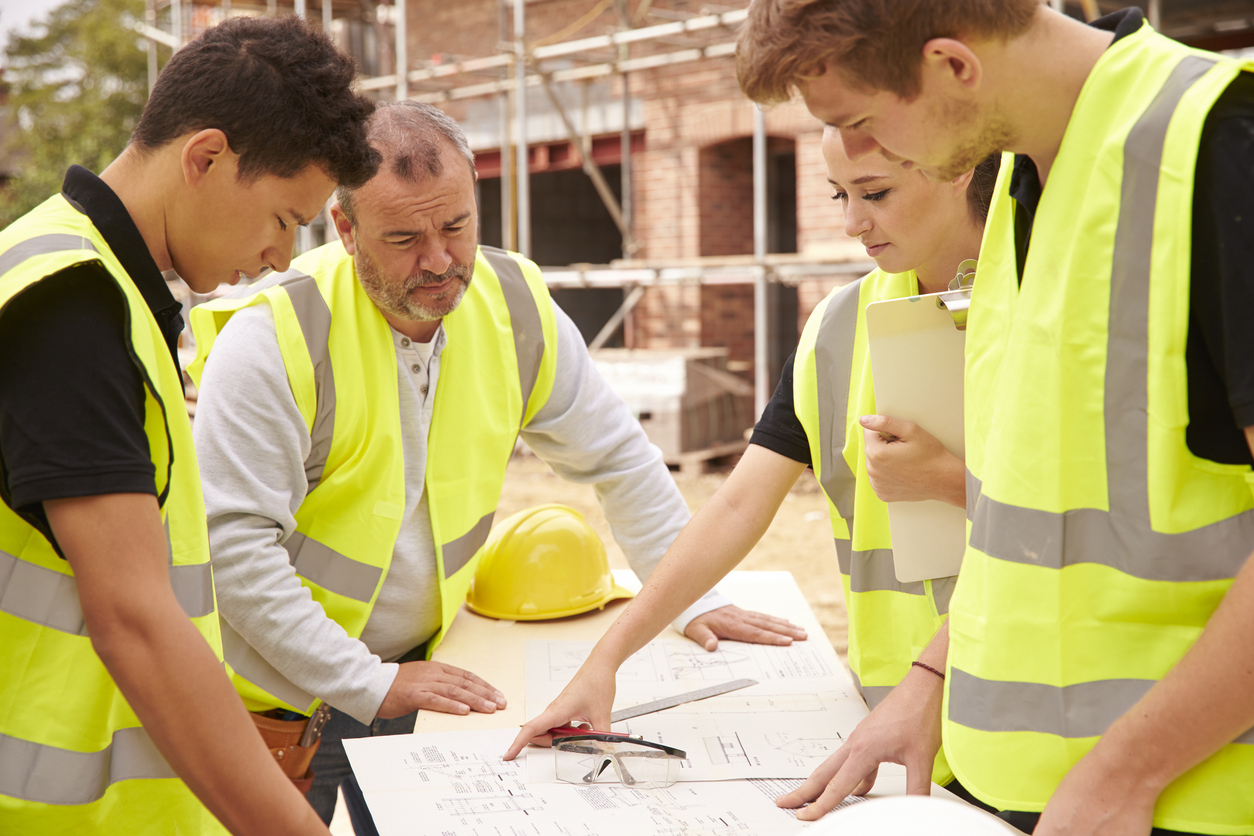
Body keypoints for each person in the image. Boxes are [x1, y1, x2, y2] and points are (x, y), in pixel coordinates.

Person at [186, 100, 806, 827]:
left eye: (455, 226)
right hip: (284, 699)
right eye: (405, 237)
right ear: (346, 229)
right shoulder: (275, 339)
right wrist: (370, 682)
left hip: (431, 672)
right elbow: (232, 552)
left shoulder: (513, 304)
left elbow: (620, 458)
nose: (440, 260)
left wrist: (694, 597)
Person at [737, 2, 1254, 834]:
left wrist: (1125, 775)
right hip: (1046, 797)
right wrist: (929, 685)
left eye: (865, 124)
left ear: (953, 65)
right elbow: (1037, 515)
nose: (873, 157)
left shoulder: (1219, 153)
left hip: (1184, 802)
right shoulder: (1022, 184)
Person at [505, 127, 996, 800]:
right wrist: (608, 658)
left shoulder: (1042, 307)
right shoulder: (837, 326)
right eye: (839, 194)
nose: (852, 223)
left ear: (957, 162)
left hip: (1019, 717)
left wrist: (947, 482)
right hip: (889, 716)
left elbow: (1073, 518)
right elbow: (736, 506)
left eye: (876, 193)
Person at [0, 16, 377, 836]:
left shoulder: (101, 289)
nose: (282, 257)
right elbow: (134, 620)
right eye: (283, 218)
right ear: (205, 158)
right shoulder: (72, 306)